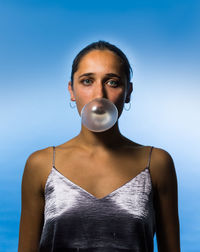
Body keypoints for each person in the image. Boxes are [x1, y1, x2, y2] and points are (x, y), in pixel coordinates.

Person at [18, 40, 181, 252]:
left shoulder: (158, 163)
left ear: (128, 91)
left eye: (112, 82)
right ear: (71, 90)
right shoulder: (40, 164)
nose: (99, 95)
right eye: (87, 81)